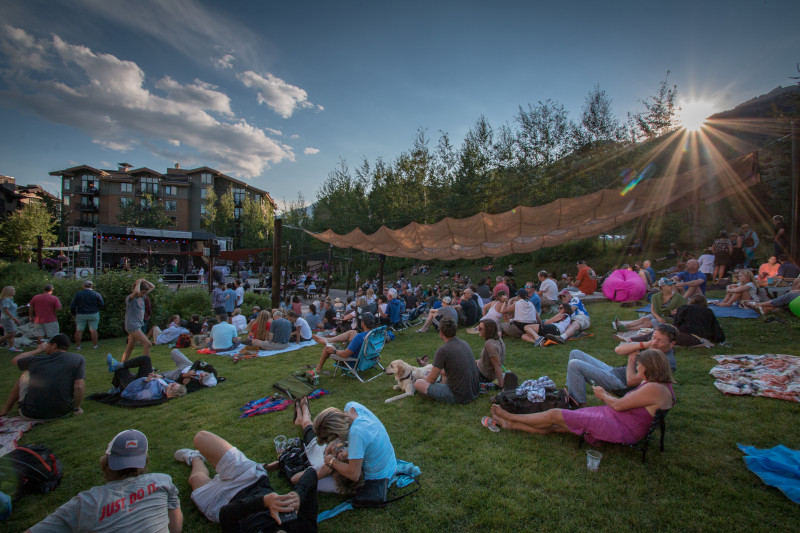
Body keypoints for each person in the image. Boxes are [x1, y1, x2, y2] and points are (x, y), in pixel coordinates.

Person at [489, 349, 676, 447]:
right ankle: (511, 425)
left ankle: (511, 417)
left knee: (554, 414)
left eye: (639, 366)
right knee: (558, 425)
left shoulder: (653, 388)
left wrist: (603, 395)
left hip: (621, 427)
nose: (637, 370)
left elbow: (619, 406)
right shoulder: (658, 384)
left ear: (650, 368)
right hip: (620, 420)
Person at [25, 429, 182, 533]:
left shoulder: (84, 503)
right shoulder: (162, 481)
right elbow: (175, 527)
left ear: (106, 462)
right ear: (145, 461)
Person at [174, 431, 318, 531]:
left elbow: (226, 514)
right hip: (251, 479)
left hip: (224, 502)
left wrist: (265, 501)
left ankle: (195, 458)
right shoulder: (303, 529)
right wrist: (298, 495)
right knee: (201, 438)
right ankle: (219, 466)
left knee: (195, 479)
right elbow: (311, 473)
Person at [565, 323, 677, 407]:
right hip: (615, 371)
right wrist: (645, 343)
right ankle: (571, 391)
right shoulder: (653, 345)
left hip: (621, 384)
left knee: (575, 365)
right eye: (653, 338)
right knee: (575, 353)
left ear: (672, 344)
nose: (654, 342)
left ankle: (577, 404)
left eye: (660, 341)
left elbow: (631, 381)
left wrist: (631, 359)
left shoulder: (664, 362)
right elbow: (619, 350)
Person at [312, 400, 396, 505]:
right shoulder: (351, 406)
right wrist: (336, 443)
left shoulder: (356, 434)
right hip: (389, 460)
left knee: (321, 481)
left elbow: (354, 475)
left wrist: (331, 461)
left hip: (378, 475)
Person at [0, 334, 85, 419]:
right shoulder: (77, 359)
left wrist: (38, 350)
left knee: (26, 374)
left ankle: (5, 410)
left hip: (30, 413)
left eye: (47, 344)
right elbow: (79, 386)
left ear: (53, 346)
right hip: (63, 412)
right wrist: (77, 408)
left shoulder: (36, 360)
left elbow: (15, 360)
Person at [414, 317, 480, 404]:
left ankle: (434, 393)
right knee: (443, 373)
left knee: (418, 383)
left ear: (441, 332)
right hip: (473, 391)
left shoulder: (443, 350)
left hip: (458, 395)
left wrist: (423, 377)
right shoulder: (464, 343)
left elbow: (431, 379)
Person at [310, 312, 376, 374]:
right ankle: (328, 340)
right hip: (367, 359)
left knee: (328, 346)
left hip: (352, 362)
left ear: (363, 323)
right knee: (352, 332)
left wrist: (334, 351)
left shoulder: (359, 337)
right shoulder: (376, 335)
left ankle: (318, 368)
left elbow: (345, 355)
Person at [106, 354, 187, 401]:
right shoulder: (168, 384)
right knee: (146, 359)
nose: (172, 383)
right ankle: (117, 366)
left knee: (122, 370)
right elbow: (167, 380)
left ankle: (117, 386)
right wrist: (159, 376)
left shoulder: (152, 393)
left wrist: (145, 381)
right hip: (145, 378)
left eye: (172, 385)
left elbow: (128, 394)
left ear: (169, 393)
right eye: (174, 383)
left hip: (131, 385)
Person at [617, 278, 686, 331]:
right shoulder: (656, 296)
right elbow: (652, 309)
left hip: (668, 317)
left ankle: (627, 329)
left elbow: (685, 308)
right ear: (662, 287)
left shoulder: (677, 297)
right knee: (644, 319)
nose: (671, 286)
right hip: (658, 314)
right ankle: (625, 325)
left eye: (672, 285)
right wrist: (658, 317)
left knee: (648, 323)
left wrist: (677, 310)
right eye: (669, 285)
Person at [121, 279, 155, 362]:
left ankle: (121, 365)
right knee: (148, 344)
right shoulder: (131, 298)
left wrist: (144, 280)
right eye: (143, 292)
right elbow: (136, 292)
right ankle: (145, 366)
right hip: (133, 325)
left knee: (130, 347)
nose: (144, 294)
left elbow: (152, 286)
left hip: (137, 325)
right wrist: (138, 282)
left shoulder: (142, 297)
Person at [70, 280, 105, 350]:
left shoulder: (78, 294)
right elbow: (101, 304)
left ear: (84, 286)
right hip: (93, 313)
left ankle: (78, 346)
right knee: (93, 330)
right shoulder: (96, 294)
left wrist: (73, 314)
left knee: (79, 330)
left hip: (81, 314)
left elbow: (73, 305)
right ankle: (95, 345)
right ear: (91, 286)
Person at [475, 319, 507, 388]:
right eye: (478, 327)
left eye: (480, 328)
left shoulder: (489, 344)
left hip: (483, 375)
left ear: (488, 330)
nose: (478, 329)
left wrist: (502, 386)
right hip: (483, 367)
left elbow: (497, 366)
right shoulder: (498, 339)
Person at [0, 286, 22, 352]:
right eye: (13, 290)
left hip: (11, 318)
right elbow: (6, 310)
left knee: (12, 333)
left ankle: (11, 348)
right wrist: (13, 318)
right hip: (8, 319)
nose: (14, 291)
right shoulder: (6, 300)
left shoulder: (10, 299)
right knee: (11, 333)